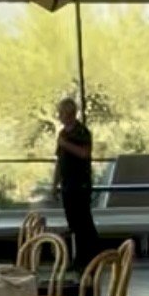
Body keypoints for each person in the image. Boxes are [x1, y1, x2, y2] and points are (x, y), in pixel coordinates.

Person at [53, 96, 100, 277]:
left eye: (62, 113)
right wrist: (54, 184)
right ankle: (80, 258)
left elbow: (85, 153)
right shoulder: (62, 134)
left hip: (80, 184)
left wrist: (66, 144)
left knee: (83, 222)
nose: (60, 116)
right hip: (67, 185)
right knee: (73, 222)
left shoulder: (82, 132)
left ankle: (92, 257)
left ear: (71, 114)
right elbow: (60, 160)